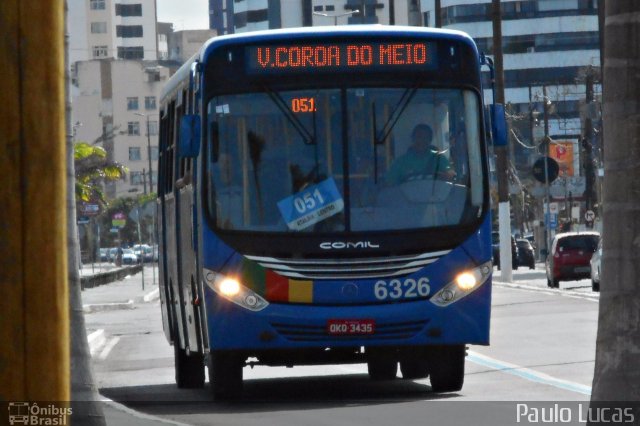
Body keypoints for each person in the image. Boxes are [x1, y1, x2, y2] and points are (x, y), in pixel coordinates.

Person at [385, 123, 454, 185]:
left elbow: (451, 175)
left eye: (425, 137)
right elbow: (389, 184)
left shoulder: (439, 158)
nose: (421, 140)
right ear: (412, 138)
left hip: (435, 198)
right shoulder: (400, 162)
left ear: (430, 140)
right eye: (418, 136)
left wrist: (446, 175)